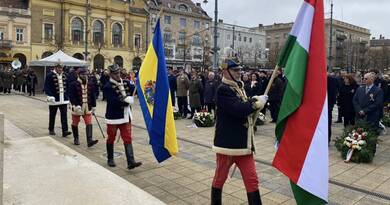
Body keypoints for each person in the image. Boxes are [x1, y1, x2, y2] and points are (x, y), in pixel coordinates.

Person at [211, 58, 267, 205]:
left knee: (252, 180)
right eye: (235, 70)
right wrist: (255, 103)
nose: (239, 72)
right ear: (225, 71)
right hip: (228, 145)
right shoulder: (223, 89)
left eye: (239, 70)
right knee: (220, 179)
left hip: (243, 144)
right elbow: (237, 109)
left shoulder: (238, 87)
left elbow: (244, 108)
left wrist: (254, 103)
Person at [104, 64, 142, 170]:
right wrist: (126, 101)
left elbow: (134, 89)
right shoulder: (107, 86)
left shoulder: (125, 82)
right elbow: (113, 101)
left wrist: (139, 83)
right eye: (115, 73)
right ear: (111, 74)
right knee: (111, 137)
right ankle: (110, 158)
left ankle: (131, 161)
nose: (118, 75)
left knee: (127, 137)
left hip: (126, 115)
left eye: (119, 73)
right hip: (114, 117)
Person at [68, 67, 99, 147]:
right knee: (75, 123)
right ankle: (76, 138)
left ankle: (89, 140)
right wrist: (75, 105)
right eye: (82, 74)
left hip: (87, 107)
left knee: (89, 122)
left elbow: (93, 95)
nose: (84, 76)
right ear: (78, 75)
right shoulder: (73, 84)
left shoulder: (90, 83)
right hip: (77, 106)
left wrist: (94, 106)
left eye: (85, 74)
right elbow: (72, 96)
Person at [43, 63, 72, 137]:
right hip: (54, 100)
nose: (60, 69)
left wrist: (68, 96)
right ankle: (51, 129)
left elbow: (68, 86)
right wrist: (50, 95)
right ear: (55, 68)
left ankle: (65, 131)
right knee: (52, 115)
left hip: (64, 99)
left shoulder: (65, 75)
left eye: (61, 68)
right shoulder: (49, 75)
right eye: (59, 68)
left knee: (64, 116)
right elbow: (46, 87)